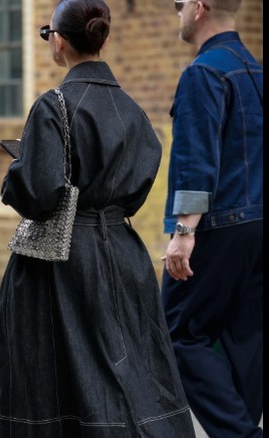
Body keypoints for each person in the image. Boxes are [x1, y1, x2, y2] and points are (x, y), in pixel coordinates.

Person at [0, 0, 196, 436]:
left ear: (60, 42)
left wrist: (16, 173)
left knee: (51, 379)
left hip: (58, 264)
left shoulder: (53, 105)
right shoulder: (135, 112)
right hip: (123, 253)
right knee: (131, 371)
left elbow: (37, 193)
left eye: (48, 34)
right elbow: (139, 186)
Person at [161, 0, 263, 436]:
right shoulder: (255, 71)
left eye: (180, 4)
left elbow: (196, 158)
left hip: (221, 225)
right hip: (258, 225)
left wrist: (184, 231)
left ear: (199, 8)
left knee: (178, 332)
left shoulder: (203, 73)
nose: (177, 11)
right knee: (246, 338)